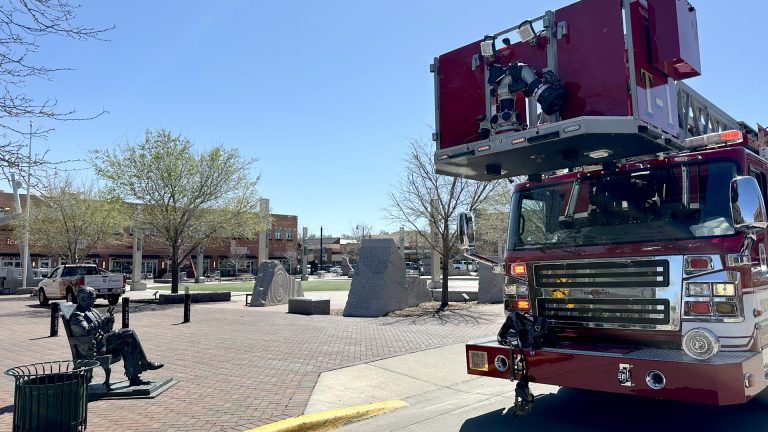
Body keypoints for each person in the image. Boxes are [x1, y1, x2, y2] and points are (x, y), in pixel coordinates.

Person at [69, 286, 163, 387]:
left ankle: (134, 378)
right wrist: (103, 319)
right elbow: (86, 331)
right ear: (83, 298)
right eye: (92, 297)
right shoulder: (77, 315)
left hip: (102, 342)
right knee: (128, 333)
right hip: (93, 348)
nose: (95, 299)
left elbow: (105, 330)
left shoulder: (92, 311)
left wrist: (109, 321)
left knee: (128, 341)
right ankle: (144, 363)